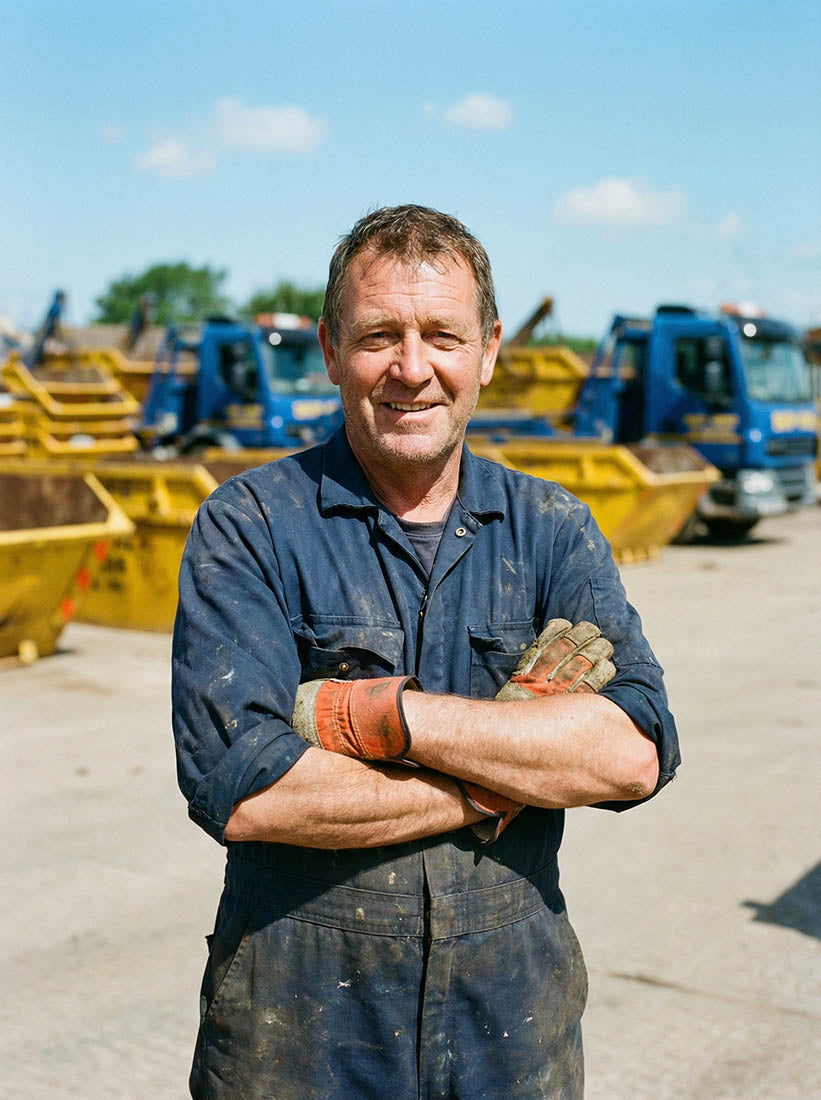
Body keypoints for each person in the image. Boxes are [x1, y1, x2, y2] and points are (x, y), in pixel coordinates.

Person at [172, 204, 680, 1099]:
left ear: (487, 349)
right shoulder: (247, 526)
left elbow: (630, 753)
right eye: (378, 336)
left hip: (510, 1029)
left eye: (441, 334)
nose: (412, 369)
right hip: (295, 1037)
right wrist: (509, 766)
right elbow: (248, 791)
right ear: (331, 351)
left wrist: (377, 716)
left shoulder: (552, 529)